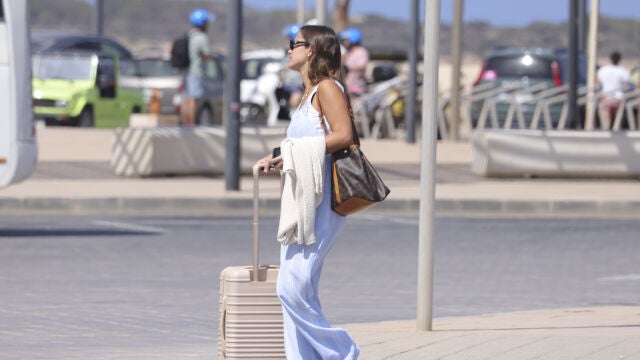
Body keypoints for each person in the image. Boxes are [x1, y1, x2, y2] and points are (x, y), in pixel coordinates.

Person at [258, 25, 360, 359]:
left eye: (294, 43)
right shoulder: (307, 93)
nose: (289, 49)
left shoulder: (328, 88)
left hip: (323, 199)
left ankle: (342, 353)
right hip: (302, 197)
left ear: (312, 49)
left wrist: (293, 153)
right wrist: (279, 155)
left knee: (292, 287)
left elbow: (345, 136)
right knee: (298, 288)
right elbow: (307, 139)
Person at [181, 9, 213, 126]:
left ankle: (185, 124)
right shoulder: (202, 37)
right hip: (196, 71)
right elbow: (207, 55)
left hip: (185, 71)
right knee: (193, 100)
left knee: (186, 98)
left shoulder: (189, 35)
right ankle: (191, 125)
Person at [597, 51, 630, 129]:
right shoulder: (622, 71)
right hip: (617, 96)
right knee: (618, 114)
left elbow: (598, 81)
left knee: (606, 114)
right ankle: (617, 127)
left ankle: (606, 127)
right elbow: (627, 82)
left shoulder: (603, 70)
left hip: (606, 95)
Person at [341, 28, 369, 97]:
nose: (344, 42)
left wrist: (347, 68)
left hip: (357, 88)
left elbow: (362, 67)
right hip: (347, 86)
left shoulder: (361, 51)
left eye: (346, 40)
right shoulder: (347, 52)